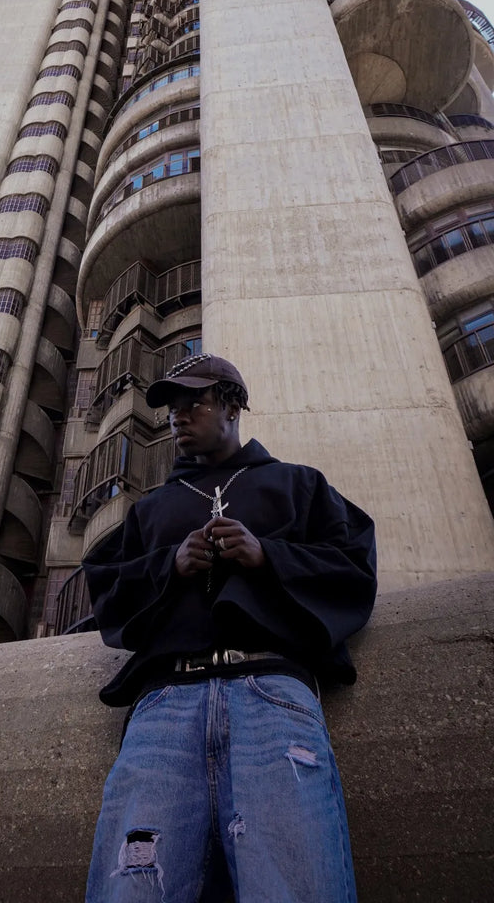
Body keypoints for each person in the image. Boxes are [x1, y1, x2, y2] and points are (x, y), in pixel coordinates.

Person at [82, 353, 377, 903]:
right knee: (135, 890)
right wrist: (169, 565)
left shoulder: (298, 484)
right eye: (172, 405)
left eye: (194, 401)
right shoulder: (153, 510)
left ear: (233, 406)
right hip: (166, 701)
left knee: (292, 885)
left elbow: (355, 568)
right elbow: (104, 587)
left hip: (271, 692)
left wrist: (267, 555)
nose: (178, 415)